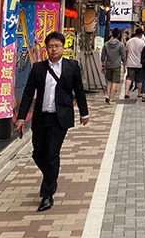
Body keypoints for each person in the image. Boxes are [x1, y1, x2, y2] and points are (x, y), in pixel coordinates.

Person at [14, 31, 89, 212]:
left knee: (52, 152)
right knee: (38, 153)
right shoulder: (38, 68)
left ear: (63, 48)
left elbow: (79, 91)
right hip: (41, 117)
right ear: (45, 49)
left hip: (60, 117)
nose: (53, 49)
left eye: (57, 46)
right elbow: (28, 93)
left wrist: (84, 113)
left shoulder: (72, 66)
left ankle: (47, 194)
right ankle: (51, 177)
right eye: (50, 47)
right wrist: (21, 117)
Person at [100, 28, 126, 103]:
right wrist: (124, 66)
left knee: (109, 81)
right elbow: (123, 56)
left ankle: (107, 95)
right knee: (114, 82)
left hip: (108, 65)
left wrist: (102, 65)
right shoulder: (120, 45)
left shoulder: (106, 44)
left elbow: (103, 56)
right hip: (116, 65)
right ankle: (111, 98)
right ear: (118, 35)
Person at [124, 26, 145, 100]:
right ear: (141, 34)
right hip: (139, 63)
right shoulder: (142, 42)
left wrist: (125, 62)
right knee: (139, 79)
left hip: (130, 63)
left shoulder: (129, 41)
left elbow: (126, 52)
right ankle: (139, 93)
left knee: (129, 78)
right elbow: (144, 53)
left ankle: (126, 93)